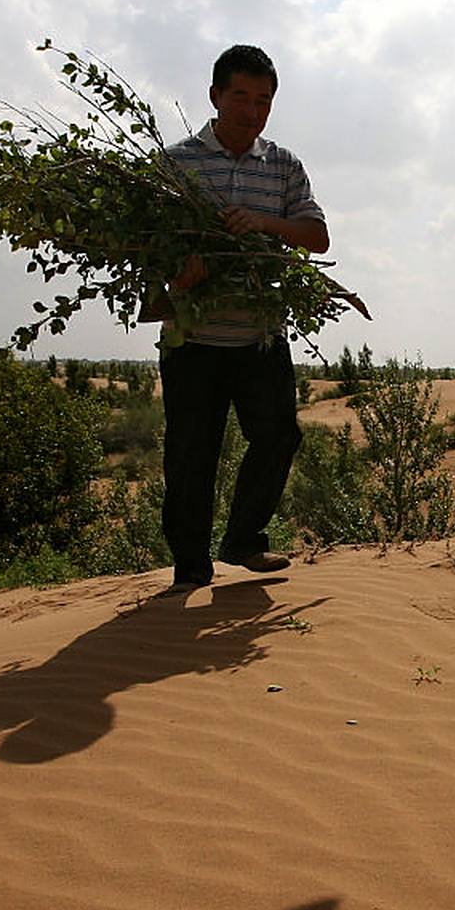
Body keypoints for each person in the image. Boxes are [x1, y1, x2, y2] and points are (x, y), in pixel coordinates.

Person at [159, 44, 330, 590]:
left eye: (264, 100)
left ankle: (244, 541)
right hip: (192, 336)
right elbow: (148, 245)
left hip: (260, 334)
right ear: (214, 96)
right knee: (191, 454)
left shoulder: (284, 165)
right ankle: (190, 568)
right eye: (241, 97)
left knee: (279, 437)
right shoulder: (176, 162)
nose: (252, 110)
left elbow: (317, 235)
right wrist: (175, 273)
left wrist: (261, 222)